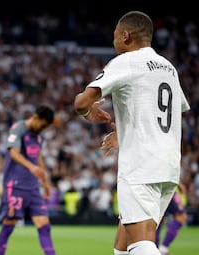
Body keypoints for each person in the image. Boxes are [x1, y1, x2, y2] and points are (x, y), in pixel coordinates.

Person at [74, 10, 190, 255]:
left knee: (141, 244)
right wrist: (124, 131)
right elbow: (173, 112)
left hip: (140, 163)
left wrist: (87, 113)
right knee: (124, 245)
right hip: (168, 166)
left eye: (115, 35)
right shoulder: (168, 68)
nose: (114, 41)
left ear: (125, 35)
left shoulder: (126, 61)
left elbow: (81, 103)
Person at [101, 125, 188, 255]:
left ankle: (161, 248)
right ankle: (159, 247)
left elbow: (81, 105)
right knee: (125, 246)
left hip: (143, 171)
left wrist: (121, 131)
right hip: (166, 168)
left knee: (138, 242)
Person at [0, 105, 56, 255]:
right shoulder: (18, 129)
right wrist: (32, 167)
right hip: (15, 185)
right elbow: (13, 153)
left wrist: (46, 183)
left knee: (44, 226)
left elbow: (38, 157)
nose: (42, 129)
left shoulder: (39, 136)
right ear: (35, 118)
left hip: (33, 187)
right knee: (9, 225)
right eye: (42, 125)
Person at [156, 183, 188, 255]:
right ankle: (163, 249)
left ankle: (155, 249)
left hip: (154, 186)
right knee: (181, 216)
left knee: (158, 219)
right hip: (167, 186)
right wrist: (179, 183)